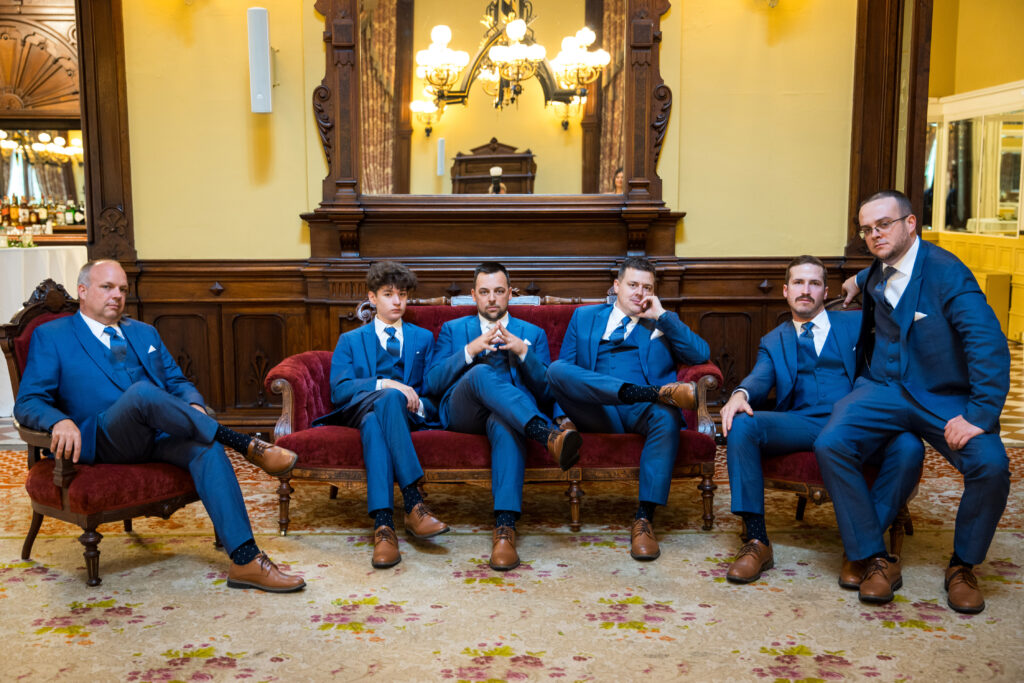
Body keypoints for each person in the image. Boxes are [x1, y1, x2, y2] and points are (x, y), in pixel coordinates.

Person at [15, 260, 305, 592]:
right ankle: (244, 444)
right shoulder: (53, 336)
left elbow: (178, 383)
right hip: (104, 438)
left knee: (206, 448)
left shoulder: (143, 333)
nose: (117, 296)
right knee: (141, 393)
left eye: (122, 289)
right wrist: (59, 420)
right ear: (82, 291)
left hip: (158, 435)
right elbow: (28, 401)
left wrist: (194, 405)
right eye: (107, 287)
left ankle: (245, 559)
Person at [815, 190, 1011, 612]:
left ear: (910, 223)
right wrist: (856, 281)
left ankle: (962, 566)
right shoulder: (878, 269)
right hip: (882, 388)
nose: (873, 235)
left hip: (940, 397)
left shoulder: (948, 273)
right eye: (866, 229)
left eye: (883, 224)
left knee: (992, 465)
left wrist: (979, 414)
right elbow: (872, 278)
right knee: (831, 442)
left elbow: (988, 344)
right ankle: (872, 555)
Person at [719, 255, 923, 584]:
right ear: (785, 291)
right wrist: (741, 394)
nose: (805, 290)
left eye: (814, 283)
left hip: (857, 424)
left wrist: (860, 279)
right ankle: (757, 541)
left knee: (910, 446)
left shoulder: (857, 324)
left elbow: (899, 289)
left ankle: (859, 547)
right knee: (743, 423)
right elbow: (760, 377)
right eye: (798, 283)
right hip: (804, 425)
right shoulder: (774, 341)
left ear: (825, 291)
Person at [546, 256, 710, 561]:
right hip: (596, 410)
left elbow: (701, 354)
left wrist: (662, 316)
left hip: (643, 410)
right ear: (617, 286)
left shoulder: (660, 321)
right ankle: (650, 393)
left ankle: (644, 518)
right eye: (633, 285)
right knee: (556, 369)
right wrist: (562, 417)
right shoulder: (584, 317)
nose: (639, 292)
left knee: (666, 413)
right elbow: (565, 373)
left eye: (647, 287)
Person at [425, 262, 581, 571]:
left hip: (511, 415)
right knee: (481, 371)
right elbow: (430, 383)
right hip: (463, 411)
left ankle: (505, 529)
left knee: (505, 422)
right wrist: (470, 350)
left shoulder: (531, 333)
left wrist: (524, 352)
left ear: (510, 293)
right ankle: (545, 434)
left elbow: (548, 391)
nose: (492, 299)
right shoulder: (454, 330)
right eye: (484, 292)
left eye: (499, 291)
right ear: (474, 295)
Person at [314, 261, 449, 569]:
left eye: (402, 294)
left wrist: (417, 403)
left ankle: (384, 526)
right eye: (388, 294)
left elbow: (432, 387)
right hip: (358, 408)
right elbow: (340, 391)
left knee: (377, 420)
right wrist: (386, 383)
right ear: (372, 298)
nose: (397, 301)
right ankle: (413, 503)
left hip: (404, 417)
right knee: (386, 397)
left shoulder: (423, 339)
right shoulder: (350, 340)